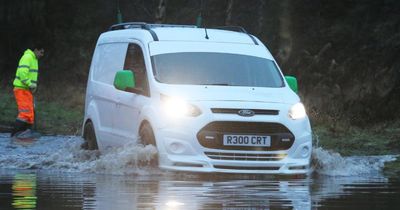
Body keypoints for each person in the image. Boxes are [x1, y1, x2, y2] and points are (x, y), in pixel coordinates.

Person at [10, 46, 44, 137]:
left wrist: (32, 87)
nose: (42, 55)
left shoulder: (34, 59)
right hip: (21, 89)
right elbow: (22, 73)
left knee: (30, 116)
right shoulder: (28, 57)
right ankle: (14, 136)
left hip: (27, 90)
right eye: (41, 52)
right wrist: (30, 84)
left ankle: (24, 136)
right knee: (25, 114)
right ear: (36, 50)